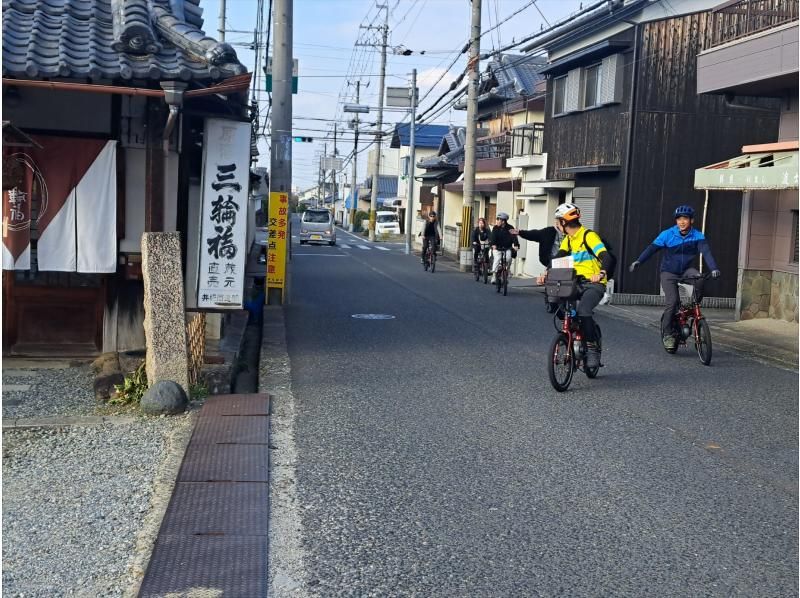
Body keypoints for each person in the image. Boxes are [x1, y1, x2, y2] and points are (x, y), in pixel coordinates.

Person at [628, 204, 720, 350]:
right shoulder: (667, 234)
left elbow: (706, 252)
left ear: (692, 220)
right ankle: (668, 334)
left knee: (700, 278)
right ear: (676, 221)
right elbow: (652, 248)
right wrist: (639, 261)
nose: (682, 222)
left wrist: (714, 268)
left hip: (686, 271)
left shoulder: (697, 235)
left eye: (685, 219)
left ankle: (692, 304)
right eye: (679, 219)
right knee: (673, 302)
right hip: (669, 272)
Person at [539, 203, 612, 369]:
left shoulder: (588, 236)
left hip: (593, 283)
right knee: (555, 304)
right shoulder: (568, 239)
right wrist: (546, 273)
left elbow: (607, 257)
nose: (557, 225)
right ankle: (575, 330)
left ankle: (592, 348)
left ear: (564, 223)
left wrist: (600, 274)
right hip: (573, 283)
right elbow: (558, 258)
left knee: (584, 311)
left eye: (558, 221)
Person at [511, 218, 565, 312]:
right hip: (550, 260)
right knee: (551, 279)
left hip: (565, 260)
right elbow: (535, 234)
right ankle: (550, 298)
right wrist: (520, 232)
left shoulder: (570, 234)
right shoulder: (549, 232)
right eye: (557, 222)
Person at [489, 212, 519, 283]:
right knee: (497, 259)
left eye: (499, 219)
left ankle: (506, 272)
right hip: (497, 248)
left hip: (507, 247)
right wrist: (493, 244)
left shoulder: (511, 227)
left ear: (503, 221)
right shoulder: (495, 228)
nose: (497, 221)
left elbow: (514, 237)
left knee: (509, 259)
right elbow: (493, 237)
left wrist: (516, 245)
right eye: (497, 219)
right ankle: (494, 275)